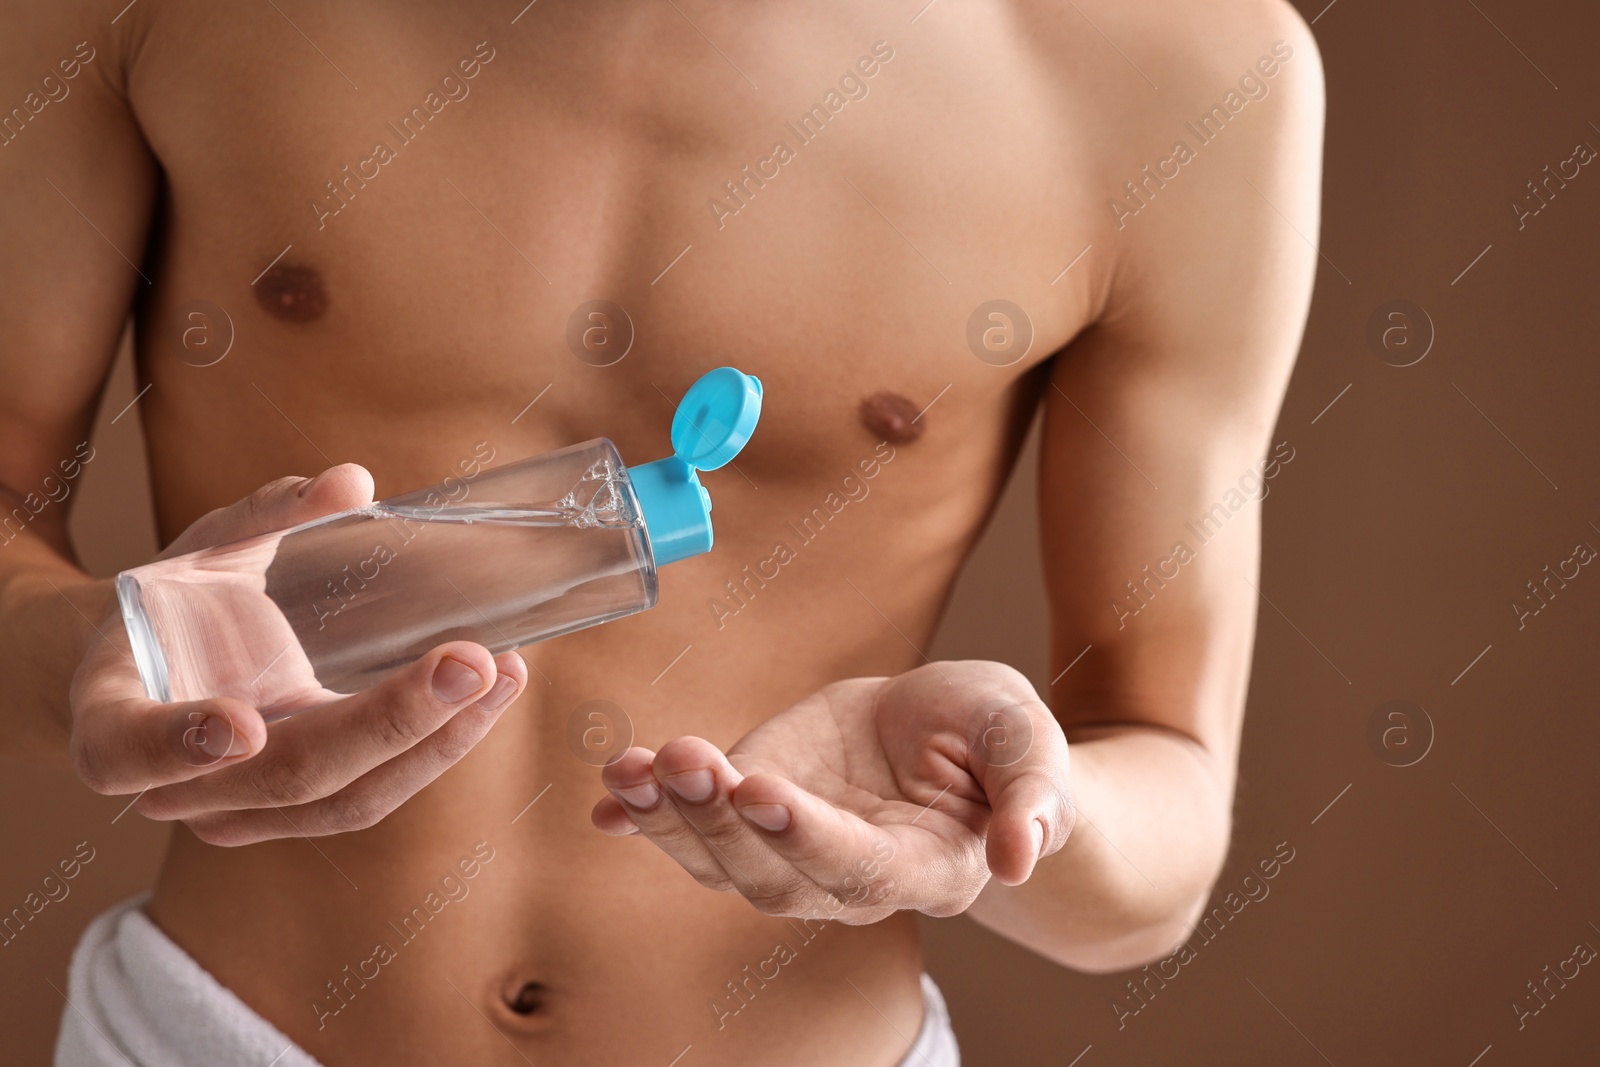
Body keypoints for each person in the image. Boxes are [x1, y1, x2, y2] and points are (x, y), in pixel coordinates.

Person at [0, 0, 1323, 1063]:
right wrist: (101, 664)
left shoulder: (1181, 69)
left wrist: (1009, 816)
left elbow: (1161, 850)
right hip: (216, 1033)